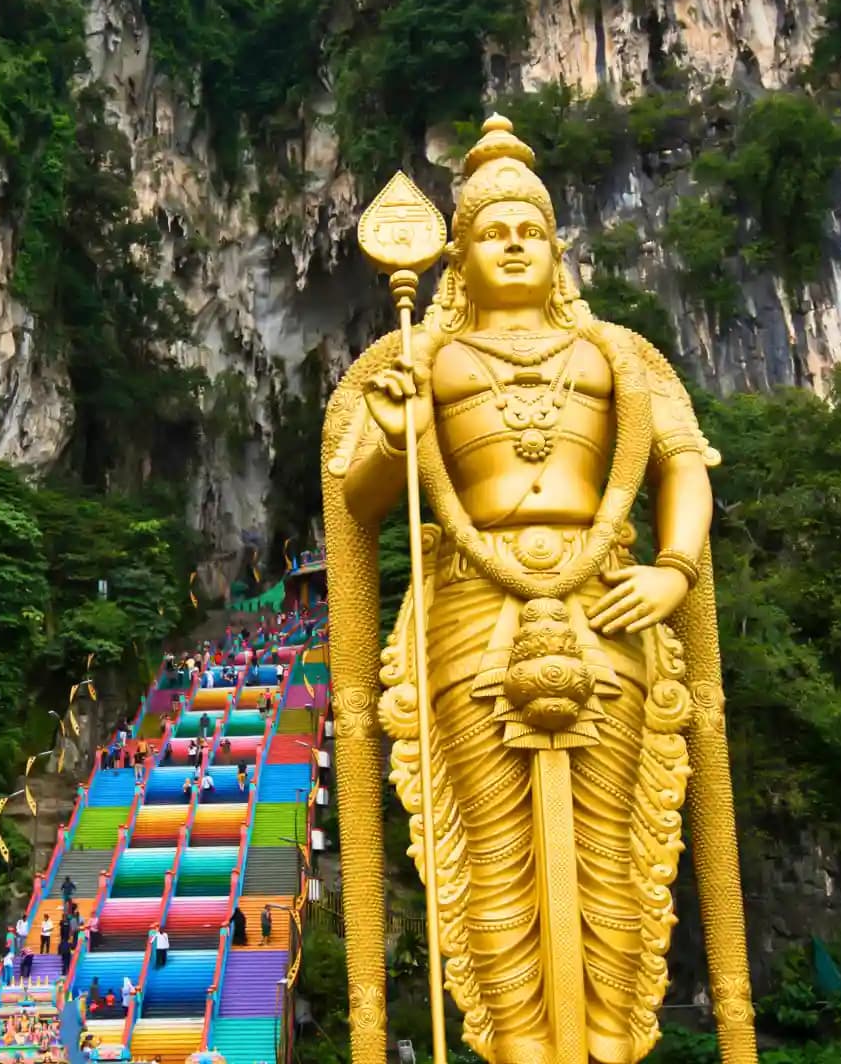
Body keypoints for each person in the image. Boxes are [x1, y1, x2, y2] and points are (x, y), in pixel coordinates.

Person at [322, 113, 752, 1064]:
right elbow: (356, 498)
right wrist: (396, 429)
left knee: (612, 851)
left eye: (528, 232)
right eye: (490, 232)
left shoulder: (620, 358)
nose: (511, 246)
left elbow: (683, 466)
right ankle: (518, 1049)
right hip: (471, 605)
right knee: (492, 861)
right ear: (457, 258)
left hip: (607, 599)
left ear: (556, 251)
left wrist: (671, 569)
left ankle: (609, 1045)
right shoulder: (419, 360)